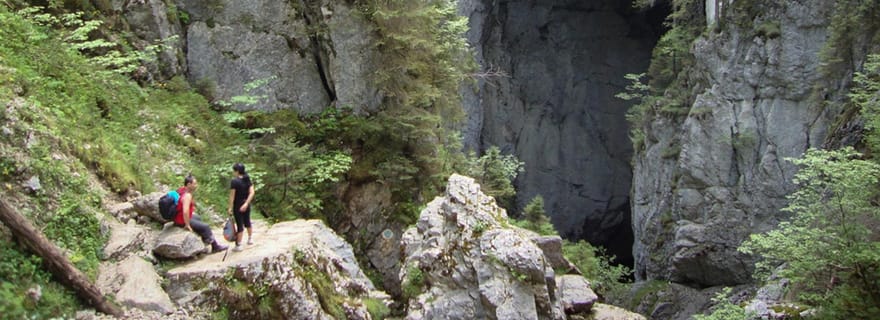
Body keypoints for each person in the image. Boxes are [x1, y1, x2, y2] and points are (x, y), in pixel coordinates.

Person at [174, 174, 227, 252]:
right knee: (205, 226)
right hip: (181, 219)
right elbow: (185, 211)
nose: (196, 185)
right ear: (189, 184)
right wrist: (187, 224)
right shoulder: (187, 195)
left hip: (178, 217)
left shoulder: (181, 190)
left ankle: (204, 237)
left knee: (197, 217)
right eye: (194, 184)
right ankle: (215, 246)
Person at [228, 163, 255, 251]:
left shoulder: (234, 181)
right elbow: (252, 192)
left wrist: (230, 208)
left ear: (237, 171)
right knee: (247, 221)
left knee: (239, 224)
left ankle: (239, 244)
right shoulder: (247, 179)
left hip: (238, 205)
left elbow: (232, 196)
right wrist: (246, 203)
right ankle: (250, 238)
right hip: (246, 203)